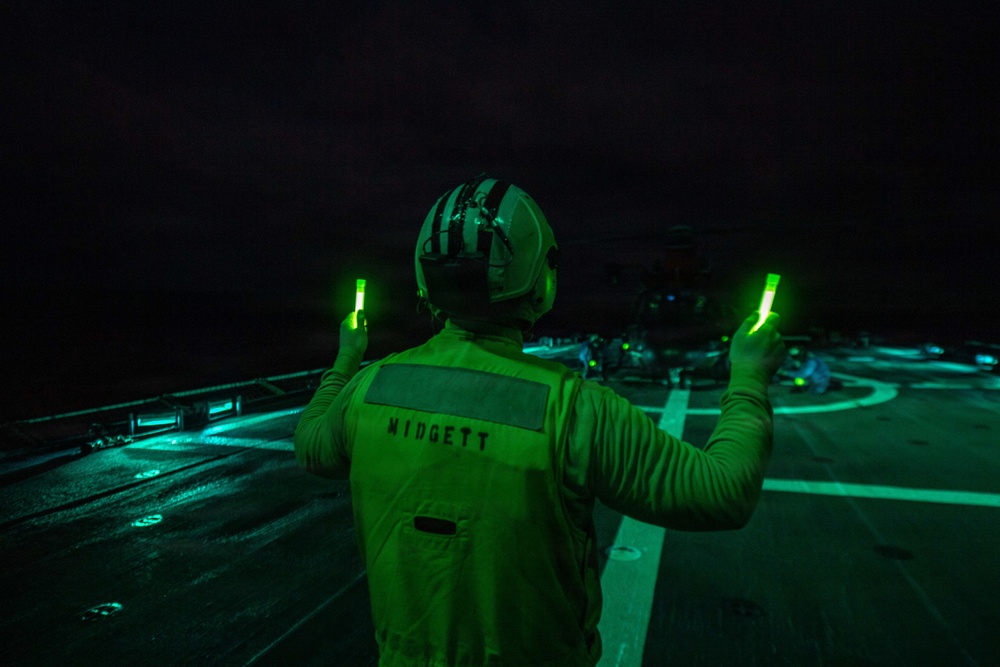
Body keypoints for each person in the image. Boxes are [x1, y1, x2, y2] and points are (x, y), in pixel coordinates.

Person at [294, 175, 786, 667]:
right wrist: (749, 373)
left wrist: (347, 356)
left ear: (427, 278)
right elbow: (723, 491)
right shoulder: (575, 408)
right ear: (539, 277)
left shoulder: (370, 388)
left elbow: (311, 445)